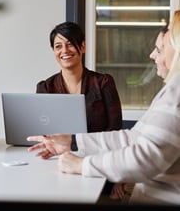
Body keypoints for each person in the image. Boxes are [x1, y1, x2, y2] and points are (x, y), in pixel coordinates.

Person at [27, 10, 180, 206]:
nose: (152, 55)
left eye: (159, 49)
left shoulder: (175, 95)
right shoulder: (45, 86)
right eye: (58, 46)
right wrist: (72, 142)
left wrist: (83, 164)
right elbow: (132, 137)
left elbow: (144, 156)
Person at [36, 21, 125, 200]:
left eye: (70, 44)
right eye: (58, 46)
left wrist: (118, 176)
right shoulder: (45, 87)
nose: (65, 51)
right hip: (60, 164)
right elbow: (44, 132)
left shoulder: (103, 83)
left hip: (99, 164)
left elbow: (115, 131)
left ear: (82, 46)